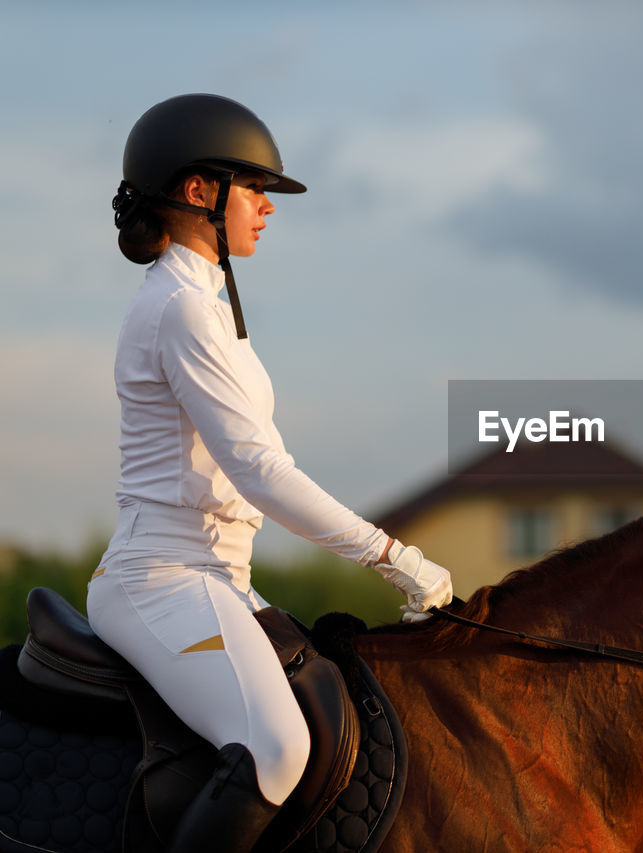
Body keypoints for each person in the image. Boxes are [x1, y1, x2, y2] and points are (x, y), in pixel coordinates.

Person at [91, 93, 452, 853]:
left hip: (218, 576)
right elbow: (259, 470)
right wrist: (391, 556)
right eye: (253, 188)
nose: (267, 207)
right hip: (163, 578)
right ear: (198, 192)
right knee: (278, 750)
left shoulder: (207, 305)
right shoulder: (181, 310)